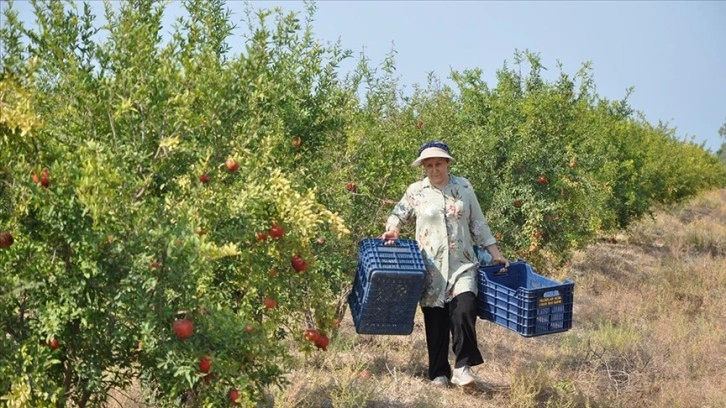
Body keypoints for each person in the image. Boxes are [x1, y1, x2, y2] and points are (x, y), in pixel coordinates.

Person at [381, 140, 509, 388]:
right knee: (435, 320)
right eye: (428, 165)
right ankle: (439, 372)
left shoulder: (463, 187)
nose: (434, 169)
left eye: (438, 164)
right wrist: (393, 230)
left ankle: (463, 367)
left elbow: (478, 223)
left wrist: (495, 253)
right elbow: (398, 214)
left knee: (464, 309)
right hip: (431, 267)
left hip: (462, 263)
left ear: (447, 163)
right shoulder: (416, 191)